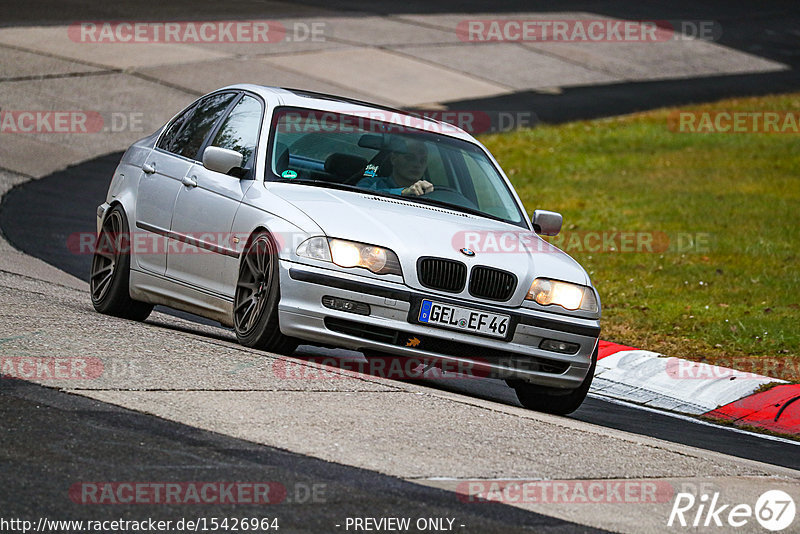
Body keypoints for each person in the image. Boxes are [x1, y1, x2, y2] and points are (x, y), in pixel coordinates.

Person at [357, 138, 434, 196]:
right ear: (394, 159)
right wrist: (404, 192)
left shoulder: (430, 193)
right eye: (410, 158)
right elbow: (360, 196)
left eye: (422, 160)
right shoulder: (370, 183)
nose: (417, 164)